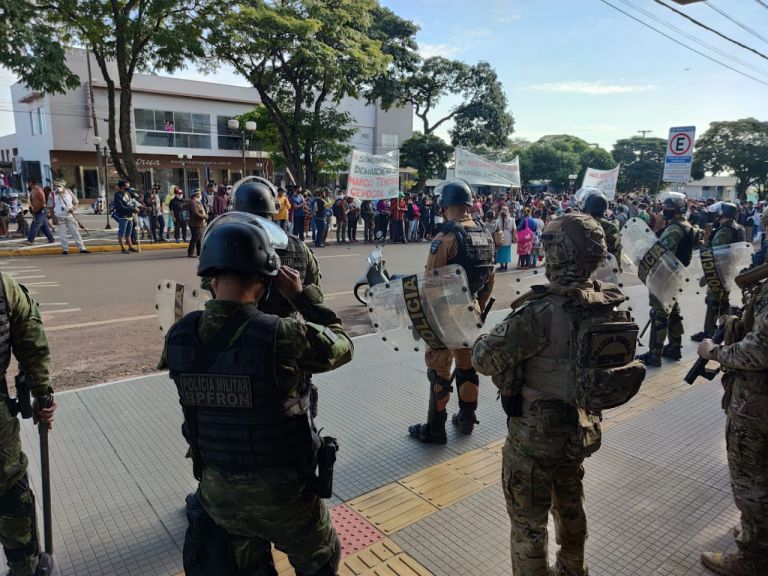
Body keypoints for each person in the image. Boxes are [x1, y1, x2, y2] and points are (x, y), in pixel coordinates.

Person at [160, 220, 352, 575]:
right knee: (320, 556)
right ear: (265, 283)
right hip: (284, 497)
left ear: (210, 278)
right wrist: (301, 296)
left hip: (217, 494)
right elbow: (341, 344)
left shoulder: (179, 336)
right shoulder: (282, 336)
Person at [472, 213, 644, 576]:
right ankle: (572, 569)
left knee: (528, 521)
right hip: (581, 427)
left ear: (558, 254)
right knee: (570, 506)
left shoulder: (539, 311)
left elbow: (484, 359)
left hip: (535, 435)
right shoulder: (609, 303)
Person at [408, 180, 495, 444]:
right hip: (471, 312)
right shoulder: (485, 234)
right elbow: (490, 279)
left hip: (444, 315)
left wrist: (422, 320)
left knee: (439, 369)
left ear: (444, 205)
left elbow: (430, 284)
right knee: (467, 366)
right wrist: (478, 307)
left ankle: (435, 429)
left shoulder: (445, 238)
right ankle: (467, 418)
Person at [697, 270, 768, 576]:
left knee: (751, 479)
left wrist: (715, 352)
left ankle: (755, 556)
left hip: (758, 408)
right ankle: (760, 535)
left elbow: (760, 350)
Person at [0, 271, 58, 576]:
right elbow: (31, 343)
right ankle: (26, 568)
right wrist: (41, 394)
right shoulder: (4, 288)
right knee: (10, 491)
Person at [229, 180, 323, 318]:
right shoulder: (299, 247)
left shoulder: (226, 247)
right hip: (287, 332)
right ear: (273, 209)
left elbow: (212, 292)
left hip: (241, 333)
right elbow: (316, 294)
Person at [636, 192, 696, 367]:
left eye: (667, 208)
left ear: (676, 210)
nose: (664, 211)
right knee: (674, 312)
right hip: (675, 275)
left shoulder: (675, 228)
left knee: (659, 314)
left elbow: (663, 254)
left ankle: (655, 354)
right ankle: (675, 347)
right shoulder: (686, 225)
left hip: (665, 276)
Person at [690, 202, 746, 342]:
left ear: (723, 213)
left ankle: (709, 332)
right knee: (724, 301)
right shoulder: (739, 228)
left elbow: (716, 252)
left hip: (718, 271)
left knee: (713, 301)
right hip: (729, 269)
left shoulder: (724, 231)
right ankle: (726, 329)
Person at [580, 188, 623, 272]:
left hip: (582, 271)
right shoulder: (611, 227)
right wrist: (618, 269)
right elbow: (616, 251)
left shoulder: (580, 223)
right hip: (606, 270)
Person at [50, 181, 90, 255]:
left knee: (75, 232)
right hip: (59, 217)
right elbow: (50, 207)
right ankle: (65, 249)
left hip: (70, 216)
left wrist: (73, 209)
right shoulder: (52, 194)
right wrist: (53, 218)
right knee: (62, 234)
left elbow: (76, 203)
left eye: (60, 186)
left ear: (64, 186)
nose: (58, 188)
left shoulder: (69, 193)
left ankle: (82, 248)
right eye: (57, 186)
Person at [24, 179, 55, 245]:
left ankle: (30, 240)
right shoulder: (34, 190)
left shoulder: (38, 190)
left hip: (41, 210)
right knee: (44, 226)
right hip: (38, 210)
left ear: (31, 183)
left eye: (28, 183)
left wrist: (37, 209)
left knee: (35, 225)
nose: (28, 184)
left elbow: (43, 201)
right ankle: (51, 239)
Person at [113, 180, 138, 254]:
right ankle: (123, 248)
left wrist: (135, 208)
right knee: (122, 233)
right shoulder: (118, 195)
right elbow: (120, 207)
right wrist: (132, 209)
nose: (128, 187)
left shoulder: (128, 194)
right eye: (127, 186)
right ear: (122, 187)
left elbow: (131, 203)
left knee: (128, 233)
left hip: (130, 215)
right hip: (123, 216)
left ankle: (130, 247)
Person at [187, 189, 207, 258]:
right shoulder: (193, 202)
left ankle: (199, 252)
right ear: (196, 194)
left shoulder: (197, 202)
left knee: (199, 238)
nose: (200, 195)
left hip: (199, 223)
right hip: (195, 223)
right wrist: (204, 216)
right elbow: (195, 213)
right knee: (195, 238)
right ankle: (190, 252)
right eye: (199, 193)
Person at [494, 206, 515, 272]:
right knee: (507, 252)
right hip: (508, 238)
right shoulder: (512, 220)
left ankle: (501, 266)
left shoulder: (497, 221)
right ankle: (506, 265)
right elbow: (514, 229)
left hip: (500, 238)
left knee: (500, 252)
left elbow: (496, 230)